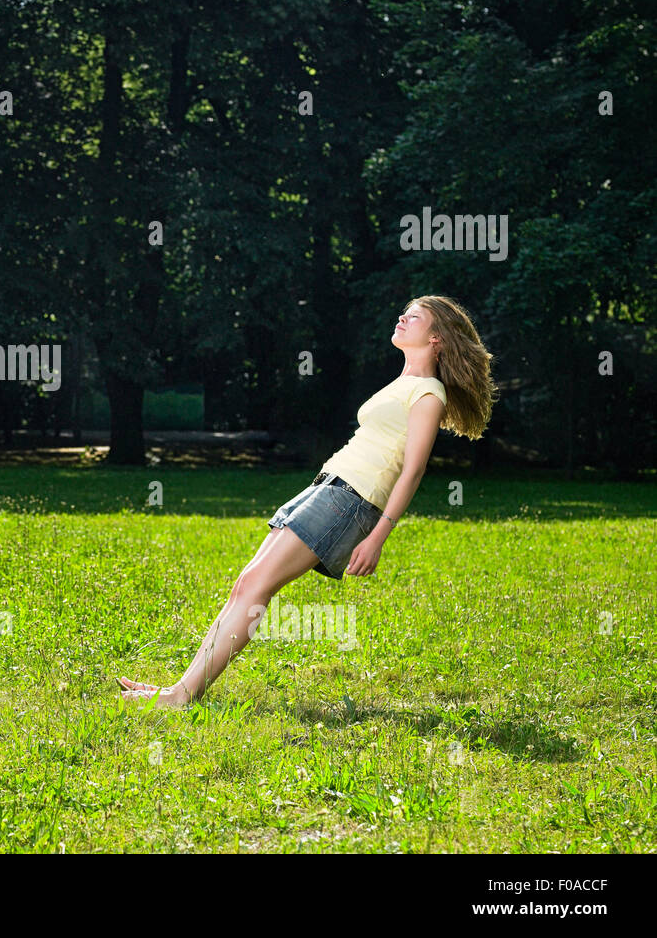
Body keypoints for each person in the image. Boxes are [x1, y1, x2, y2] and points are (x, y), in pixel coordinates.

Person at [117, 295, 497, 708]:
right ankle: (179, 692)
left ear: (436, 337)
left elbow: (413, 470)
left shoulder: (428, 393)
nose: (402, 319)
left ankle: (181, 697)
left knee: (256, 588)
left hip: (350, 498)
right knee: (246, 586)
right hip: (328, 487)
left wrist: (377, 538)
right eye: (403, 313)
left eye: (415, 317)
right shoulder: (404, 383)